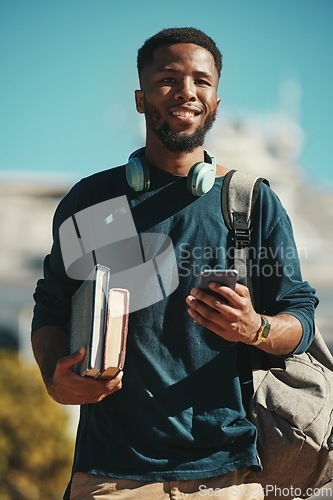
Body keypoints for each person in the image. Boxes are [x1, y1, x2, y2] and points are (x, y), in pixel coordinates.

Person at [31, 27, 318, 499]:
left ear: (217, 103)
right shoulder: (93, 202)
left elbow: (300, 318)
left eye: (202, 82)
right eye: (168, 79)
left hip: (227, 475)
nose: (187, 91)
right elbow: (52, 307)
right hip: (111, 476)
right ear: (141, 99)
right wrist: (55, 378)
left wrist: (255, 328)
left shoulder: (251, 204)